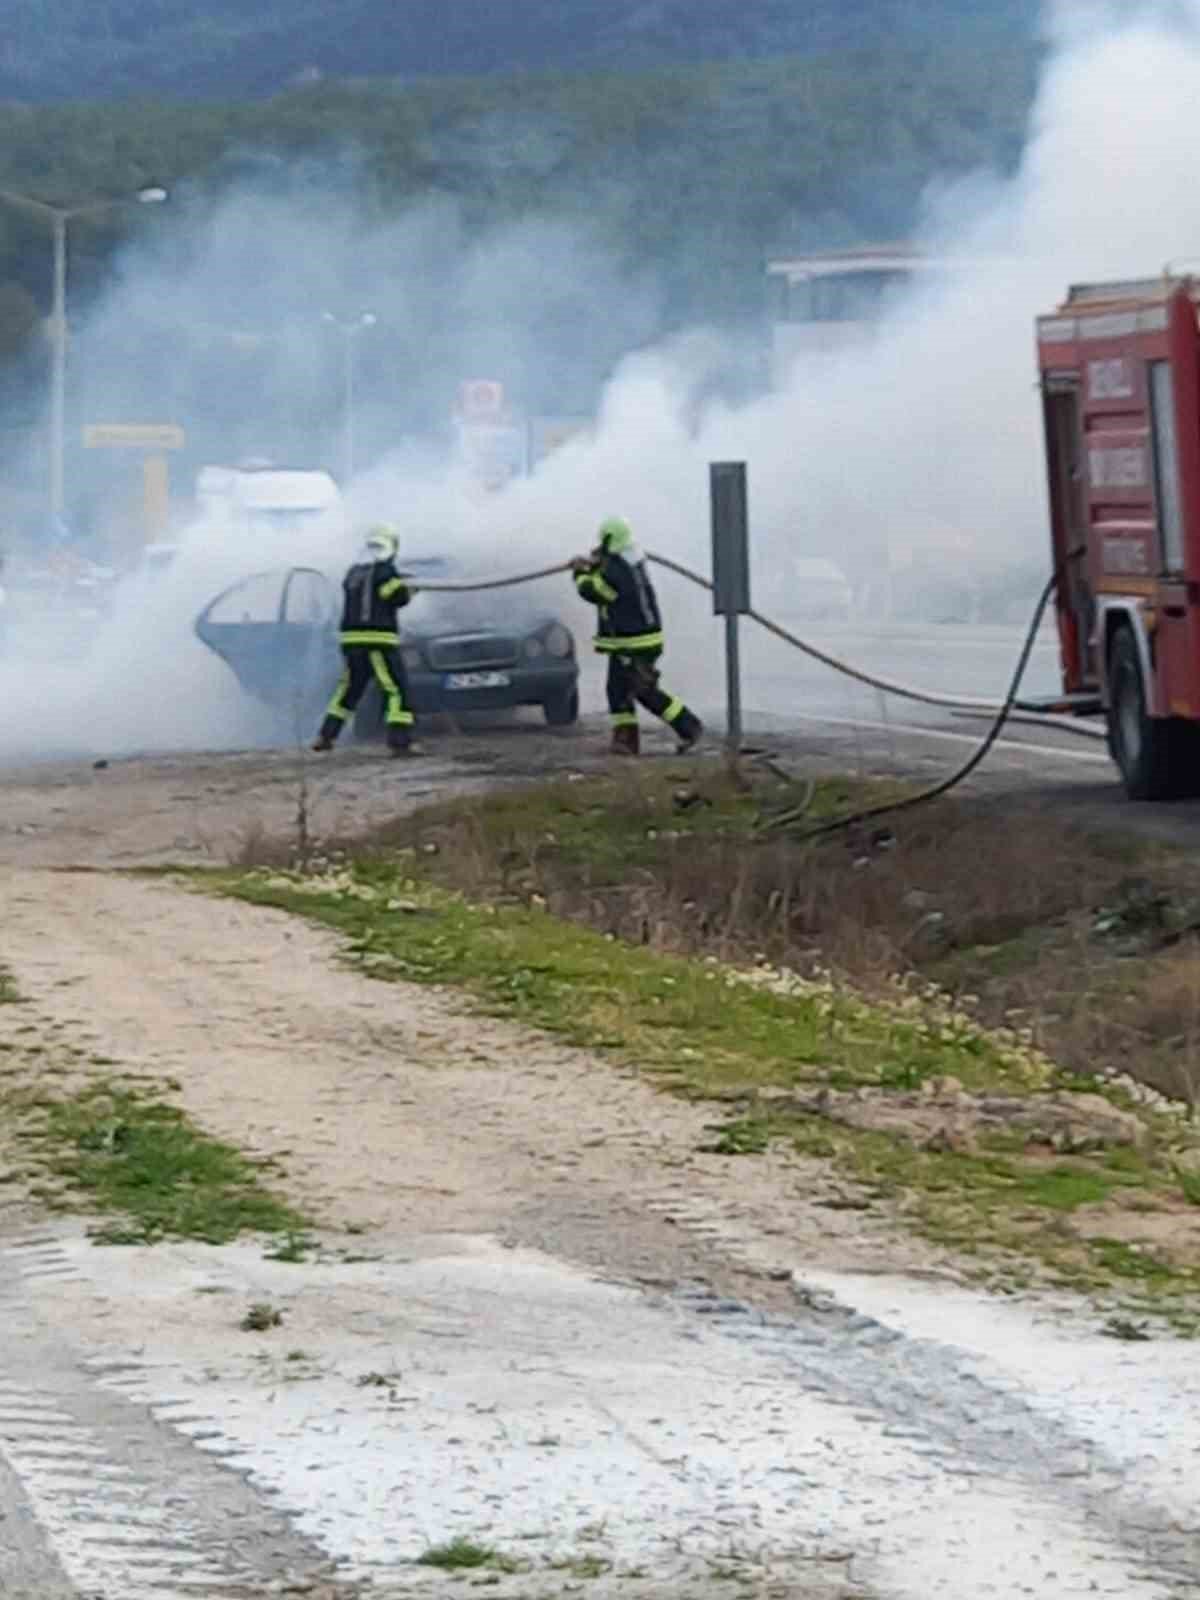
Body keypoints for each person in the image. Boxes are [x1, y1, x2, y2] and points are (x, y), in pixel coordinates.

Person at [571, 516, 703, 756]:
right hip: (632, 641)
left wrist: (579, 573)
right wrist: (593, 565)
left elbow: (596, 591)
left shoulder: (617, 569)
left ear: (609, 539)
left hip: (634, 643)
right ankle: (626, 741)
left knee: (643, 691)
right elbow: (604, 576)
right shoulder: (628, 560)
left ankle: (689, 726)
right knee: (617, 690)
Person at [312, 525, 419, 757]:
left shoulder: (353, 572)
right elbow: (395, 597)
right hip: (377, 641)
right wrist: (409, 589)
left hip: (352, 642)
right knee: (395, 690)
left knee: (350, 689)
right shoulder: (385, 571)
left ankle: (326, 735)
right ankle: (401, 743)